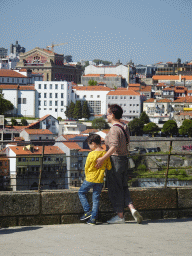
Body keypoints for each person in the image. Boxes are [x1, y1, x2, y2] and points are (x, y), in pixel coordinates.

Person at [96, 104, 143, 224]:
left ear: (112, 114)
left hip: (115, 161)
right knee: (123, 187)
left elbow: (114, 146)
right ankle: (132, 209)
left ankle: (120, 216)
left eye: (107, 113)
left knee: (115, 188)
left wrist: (102, 159)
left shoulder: (114, 129)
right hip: (124, 160)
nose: (106, 115)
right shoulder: (124, 127)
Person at [78, 134, 112, 225]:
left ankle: (87, 211)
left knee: (81, 192)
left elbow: (86, 167)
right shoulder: (105, 154)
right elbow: (109, 167)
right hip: (100, 179)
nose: (89, 147)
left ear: (93, 143)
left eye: (89, 145)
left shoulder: (91, 154)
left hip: (90, 178)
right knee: (96, 199)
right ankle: (93, 219)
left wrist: (87, 176)